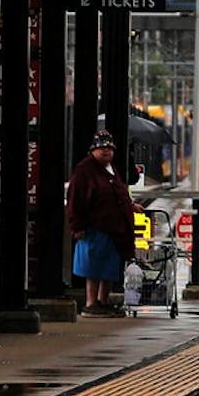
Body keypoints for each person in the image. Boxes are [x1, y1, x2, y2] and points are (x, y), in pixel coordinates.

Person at [66, 129, 136, 313]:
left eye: (109, 148)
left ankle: (102, 301)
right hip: (95, 229)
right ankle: (91, 303)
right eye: (102, 148)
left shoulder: (111, 169)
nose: (106, 151)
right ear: (93, 151)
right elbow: (75, 200)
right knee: (94, 267)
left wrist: (131, 206)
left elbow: (118, 194)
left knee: (109, 268)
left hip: (113, 230)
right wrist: (77, 226)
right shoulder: (84, 171)